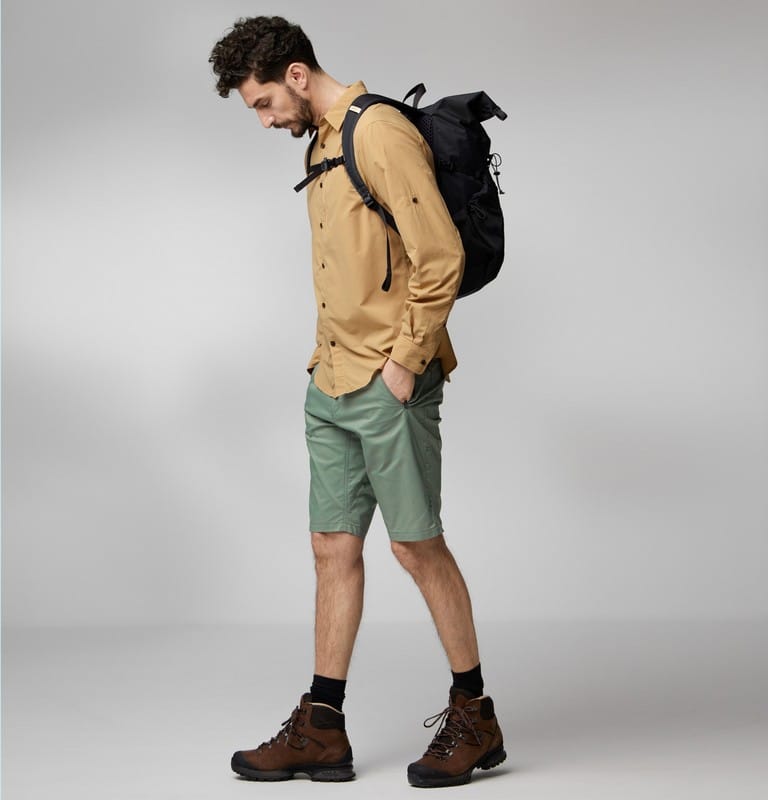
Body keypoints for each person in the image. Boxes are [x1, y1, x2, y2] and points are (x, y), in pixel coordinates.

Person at [209, 16, 506, 789]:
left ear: (296, 74)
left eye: (264, 103)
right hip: (331, 379)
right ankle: (322, 727)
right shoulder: (319, 142)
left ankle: (476, 715)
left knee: (415, 546)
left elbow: (439, 254)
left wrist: (404, 364)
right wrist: (325, 369)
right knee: (331, 549)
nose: (265, 119)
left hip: (387, 380)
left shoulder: (376, 133)